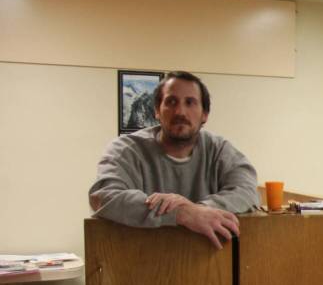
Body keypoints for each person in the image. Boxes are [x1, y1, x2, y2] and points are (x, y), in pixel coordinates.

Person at [89, 71, 259, 249]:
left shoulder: (220, 150)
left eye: (190, 102)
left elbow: (247, 191)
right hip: (138, 257)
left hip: (207, 259)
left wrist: (199, 210)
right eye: (171, 102)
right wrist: (181, 213)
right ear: (157, 111)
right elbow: (103, 196)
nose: (180, 111)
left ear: (205, 114)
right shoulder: (125, 150)